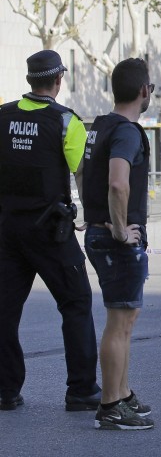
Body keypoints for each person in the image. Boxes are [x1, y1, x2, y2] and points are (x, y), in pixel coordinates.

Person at [0, 50, 101, 413]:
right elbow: (82, 172)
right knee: (76, 303)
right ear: (59, 80)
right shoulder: (65, 122)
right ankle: (82, 390)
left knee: (4, 311)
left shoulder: (2, 117)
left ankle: (5, 390)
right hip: (50, 230)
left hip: (8, 230)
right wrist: (90, 213)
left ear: (30, 81)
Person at [82, 57, 154, 430]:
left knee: (126, 318)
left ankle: (122, 394)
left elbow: (81, 170)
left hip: (100, 232)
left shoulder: (100, 126)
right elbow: (117, 182)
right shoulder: (126, 131)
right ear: (143, 92)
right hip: (115, 241)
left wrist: (92, 215)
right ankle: (110, 406)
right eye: (151, 88)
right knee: (119, 321)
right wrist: (120, 230)